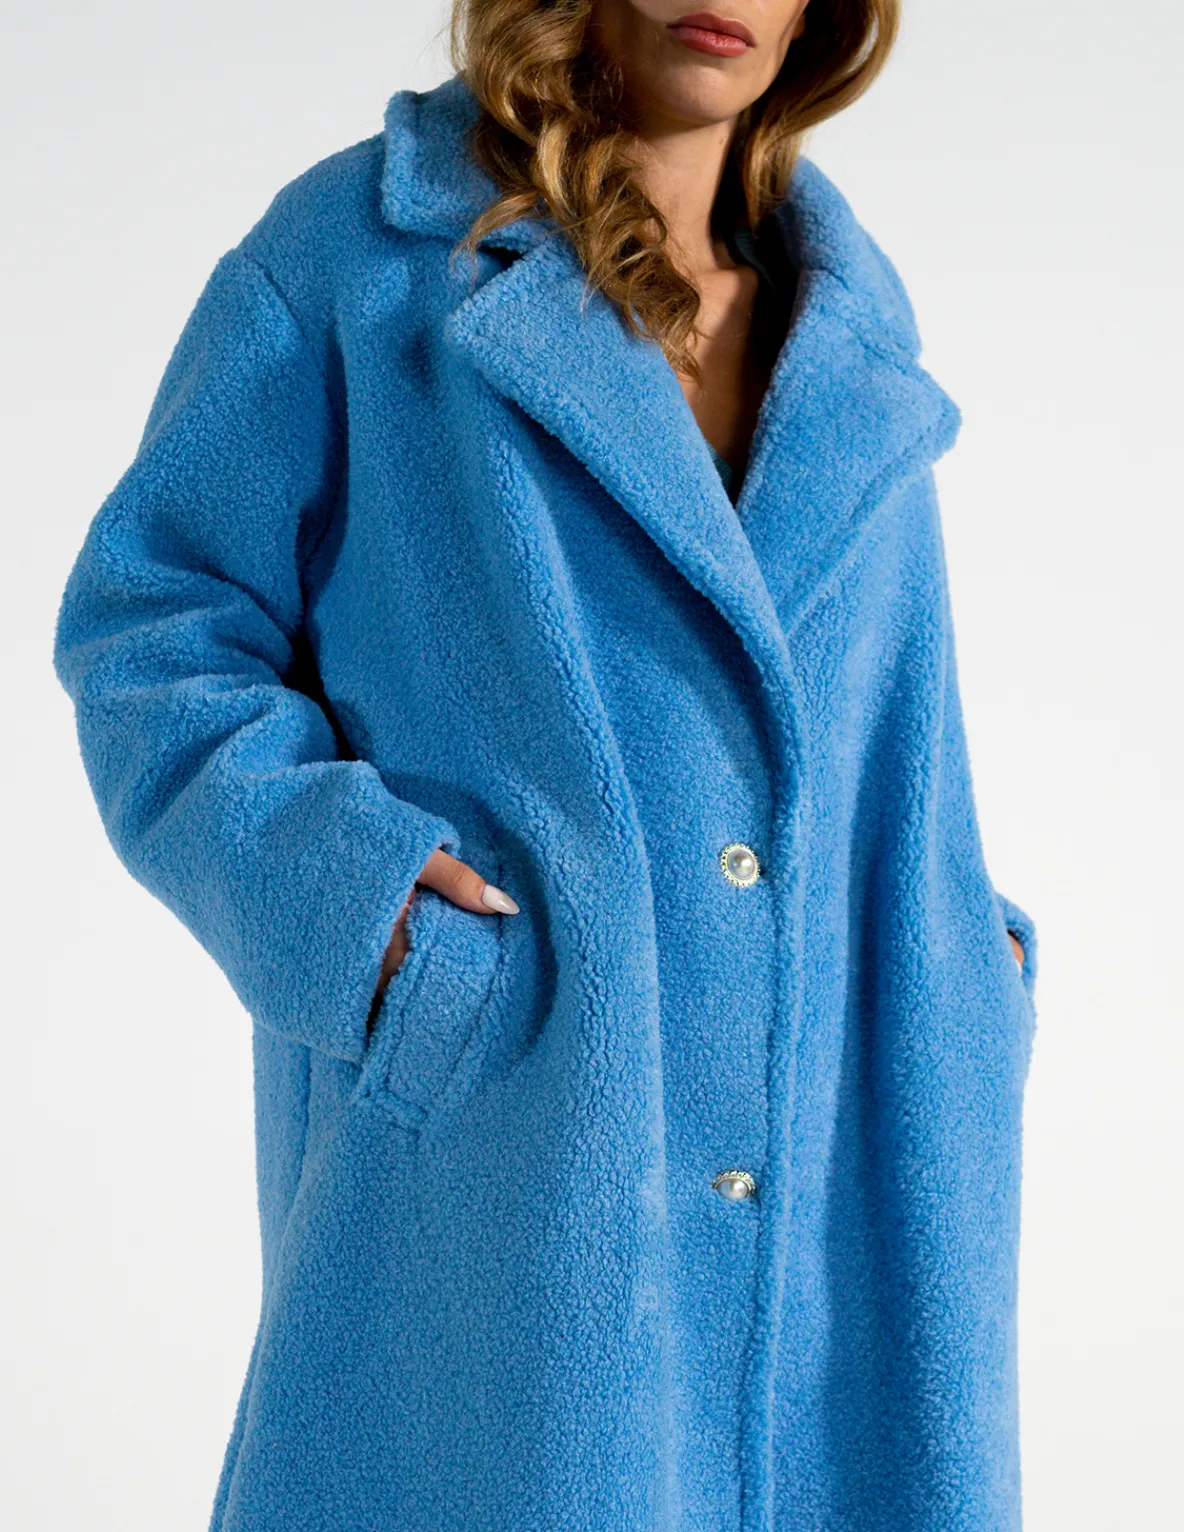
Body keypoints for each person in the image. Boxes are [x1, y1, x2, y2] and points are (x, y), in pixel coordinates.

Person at [52, 1, 1039, 1527]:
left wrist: (970, 963)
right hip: (523, 1122)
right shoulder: (362, 255)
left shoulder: (848, 329)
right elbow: (153, 627)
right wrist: (357, 901)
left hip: (853, 1099)